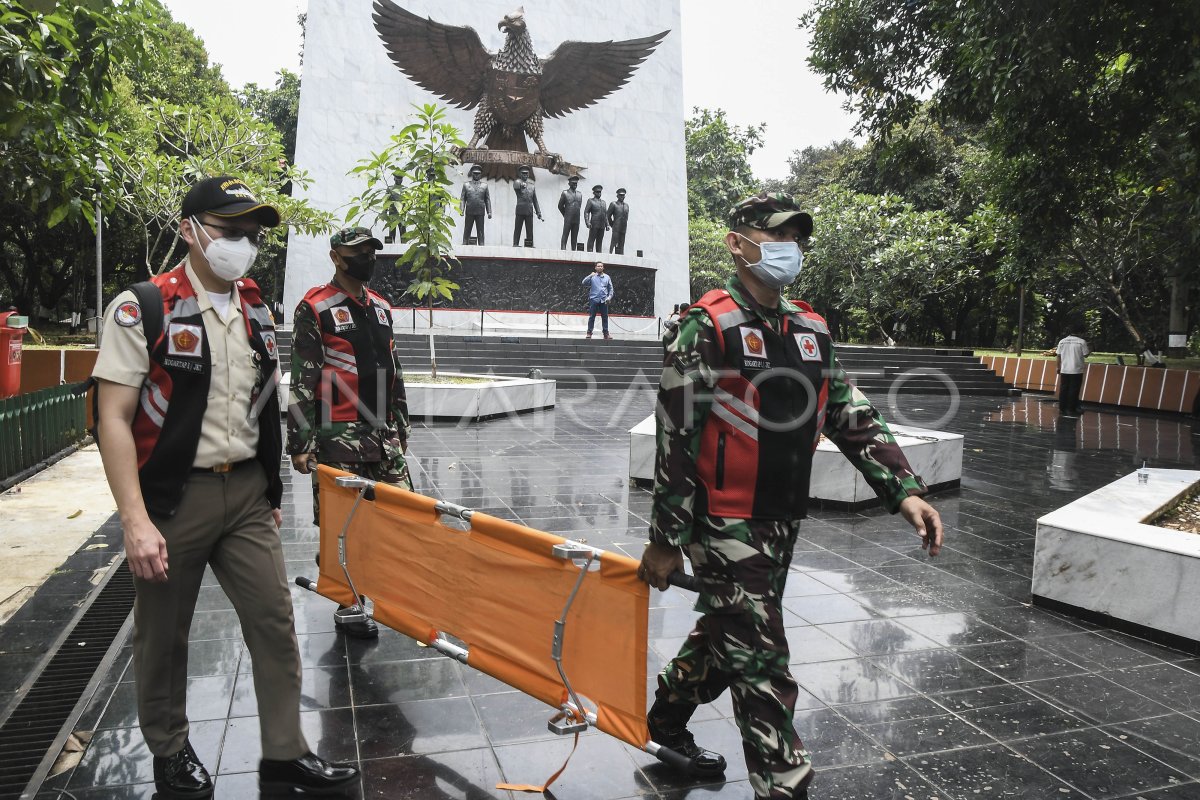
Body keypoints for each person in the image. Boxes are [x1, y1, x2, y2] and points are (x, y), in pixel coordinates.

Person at [637, 192, 944, 800]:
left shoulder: (810, 329)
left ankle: (666, 720)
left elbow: (848, 412)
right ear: (737, 243)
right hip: (721, 523)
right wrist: (667, 541)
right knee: (761, 659)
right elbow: (676, 439)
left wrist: (903, 489)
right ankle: (785, 785)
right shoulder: (706, 326)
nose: (788, 248)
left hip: (781, 518)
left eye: (795, 238)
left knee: (730, 631)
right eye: (773, 235)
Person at [91, 176, 358, 797]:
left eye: (251, 233)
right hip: (171, 500)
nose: (242, 243)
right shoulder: (144, 307)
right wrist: (134, 520)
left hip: (244, 493)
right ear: (190, 231)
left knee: (273, 620)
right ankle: (169, 750)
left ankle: (285, 753)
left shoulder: (256, 307)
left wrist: (270, 492)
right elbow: (112, 418)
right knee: (164, 633)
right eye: (229, 230)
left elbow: (264, 400)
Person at [287, 225, 412, 639]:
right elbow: (305, 376)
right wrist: (300, 442)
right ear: (336, 257)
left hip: (382, 431)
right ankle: (349, 601)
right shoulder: (316, 306)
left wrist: (402, 421)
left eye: (372, 252)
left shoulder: (381, 306)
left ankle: (397, 591)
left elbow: (394, 371)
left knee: (404, 512)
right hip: (337, 434)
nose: (368, 259)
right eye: (358, 252)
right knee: (344, 523)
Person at [1056, 328, 1090, 416]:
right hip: (1076, 370)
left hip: (1065, 369)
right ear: (1079, 332)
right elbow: (1086, 354)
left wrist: (1057, 367)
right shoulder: (1082, 342)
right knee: (1073, 390)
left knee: (1063, 389)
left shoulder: (1062, 341)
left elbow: (1058, 356)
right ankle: (1071, 409)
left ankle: (1062, 408)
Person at [460, 165, 491, 245]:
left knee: (480, 230)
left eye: (478, 173)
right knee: (467, 229)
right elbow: (462, 199)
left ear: (480, 174)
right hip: (469, 210)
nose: (476, 175)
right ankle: (464, 244)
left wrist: (489, 212)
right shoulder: (466, 185)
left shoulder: (485, 186)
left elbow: (487, 199)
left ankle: (481, 245)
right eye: (475, 173)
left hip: (480, 211)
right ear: (472, 174)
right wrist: (461, 210)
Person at [582, 261, 613, 340]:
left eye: (601, 266)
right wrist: (590, 275)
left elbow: (611, 289)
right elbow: (583, 282)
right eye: (598, 266)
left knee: (605, 317)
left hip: (604, 300)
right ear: (595, 267)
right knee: (592, 317)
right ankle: (589, 332)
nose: (600, 267)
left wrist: (609, 297)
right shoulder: (592, 276)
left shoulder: (607, 277)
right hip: (594, 299)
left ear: (603, 268)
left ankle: (606, 334)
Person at [512, 165, 542, 246]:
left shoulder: (532, 186)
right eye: (523, 173)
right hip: (520, 210)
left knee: (529, 230)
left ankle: (529, 244)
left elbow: (535, 200)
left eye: (526, 173)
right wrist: (522, 185)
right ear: (520, 174)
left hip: (529, 210)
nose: (525, 175)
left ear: (528, 174)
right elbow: (515, 185)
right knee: (518, 228)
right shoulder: (518, 182)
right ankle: (515, 243)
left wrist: (538, 212)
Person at [558, 174, 583, 250]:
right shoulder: (565, 193)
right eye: (573, 183)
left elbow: (579, 206)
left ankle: (574, 250)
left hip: (576, 219)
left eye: (576, 183)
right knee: (565, 235)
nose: (575, 184)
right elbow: (560, 206)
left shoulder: (580, 194)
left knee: (574, 237)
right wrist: (565, 214)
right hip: (568, 218)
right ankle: (563, 249)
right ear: (569, 183)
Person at [584, 184, 608, 252]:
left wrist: (607, 224)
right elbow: (586, 212)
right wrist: (587, 222)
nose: (599, 193)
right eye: (597, 192)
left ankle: (599, 255)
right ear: (594, 193)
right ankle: (589, 254)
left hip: (602, 225)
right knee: (591, 240)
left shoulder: (603, 202)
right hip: (594, 224)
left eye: (600, 192)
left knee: (599, 242)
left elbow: (605, 214)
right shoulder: (591, 201)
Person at [607, 187, 630, 254]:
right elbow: (608, 215)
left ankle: (621, 256)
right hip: (616, 227)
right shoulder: (613, 204)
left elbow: (626, 217)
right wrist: (612, 225)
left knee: (621, 244)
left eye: (623, 195)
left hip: (623, 227)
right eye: (620, 195)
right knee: (613, 243)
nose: (622, 196)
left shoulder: (626, 206)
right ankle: (611, 255)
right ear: (617, 196)